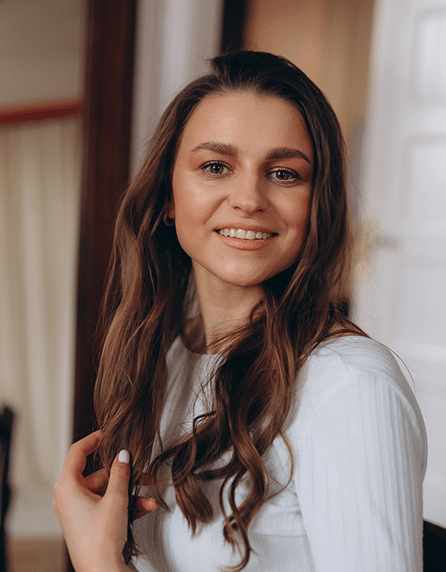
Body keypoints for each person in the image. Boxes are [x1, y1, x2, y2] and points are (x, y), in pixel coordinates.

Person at [53, 51, 427, 572]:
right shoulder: (166, 356)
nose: (249, 198)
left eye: (283, 173)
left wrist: (98, 562)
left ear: (317, 204)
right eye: (215, 167)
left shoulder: (350, 385)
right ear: (168, 197)